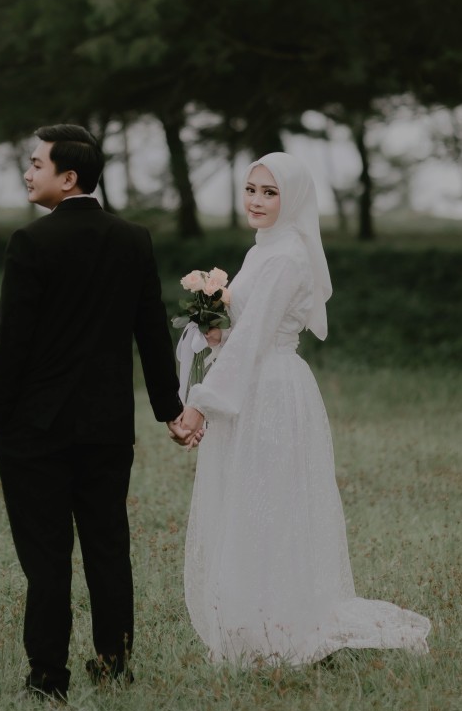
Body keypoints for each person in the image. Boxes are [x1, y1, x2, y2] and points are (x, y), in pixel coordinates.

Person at [0, 124, 189, 700]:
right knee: (108, 548)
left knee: (46, 557)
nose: (27, 173)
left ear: (68, 178)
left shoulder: (31, 242)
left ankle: (47, 680)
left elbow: (12, 341)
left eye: (36, 164)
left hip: (34, 429)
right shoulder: (133, 239)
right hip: (107, 427)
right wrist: (170, 408)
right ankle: (114, 666)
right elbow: (151, 333)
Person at [177, 152, 430, 666]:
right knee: (248, 501)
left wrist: (201, 404)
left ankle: (280, 625)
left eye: (269, 193)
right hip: (251, 382)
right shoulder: (262, 248)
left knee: (269, 502)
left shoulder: (287, 256)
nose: (256, 201)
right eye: (251, 189)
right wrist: (215, 329)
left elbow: (254, 339)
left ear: (291, 199)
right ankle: (252, 618)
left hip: (270, 387)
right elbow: (243, 327)